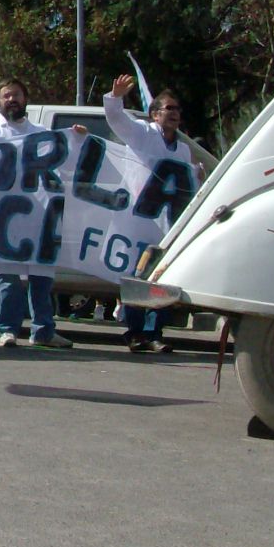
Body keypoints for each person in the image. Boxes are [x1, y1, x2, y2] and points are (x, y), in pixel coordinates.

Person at [0, 79, 74, 350]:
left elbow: (65, 163)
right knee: (7, 275)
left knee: (41, 275)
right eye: (6, 96)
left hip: (38, 214)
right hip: (3, 214)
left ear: (25, 99)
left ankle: (43, 330)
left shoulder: (41, 133)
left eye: (16, 94)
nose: (12, 99)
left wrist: (78, 138)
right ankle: (7, 329)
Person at [105, 75, 197, 354]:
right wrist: (115, 97)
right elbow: (117, 120)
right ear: (154, 114)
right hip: (139, 221)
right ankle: (134, 332)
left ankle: (154, 332)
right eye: (168, 109)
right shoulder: (142, 134)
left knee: (161, 280)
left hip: (167, 225)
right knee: (137, 277)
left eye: (177, 109)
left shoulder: (182, 148)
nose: (174, 114)